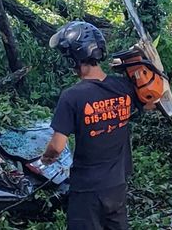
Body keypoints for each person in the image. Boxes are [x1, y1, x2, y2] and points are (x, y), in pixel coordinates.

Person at [40, 20, 145, 230]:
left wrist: (47, 158)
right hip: (117, 185)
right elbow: (150, 103)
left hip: (87, 189)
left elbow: (57, 146)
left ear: (74, 58)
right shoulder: (123, 86)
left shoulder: (72, 97)